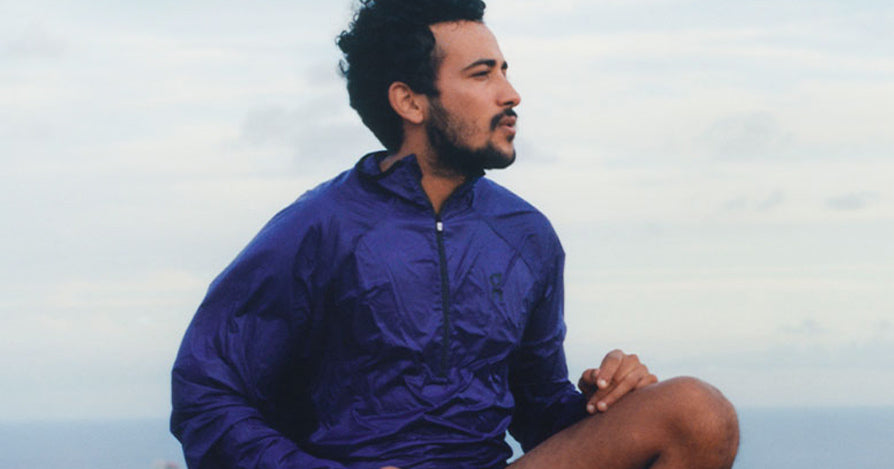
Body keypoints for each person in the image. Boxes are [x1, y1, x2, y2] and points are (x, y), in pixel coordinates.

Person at [168, 1, 740, 467]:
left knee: (698, 412)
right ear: (410, 101)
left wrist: (603, 400)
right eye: (482, 74)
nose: (510, 93)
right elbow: (206, 394)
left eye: (505, 70)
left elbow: (539, 411)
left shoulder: (526, 234)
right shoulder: (318, 227)